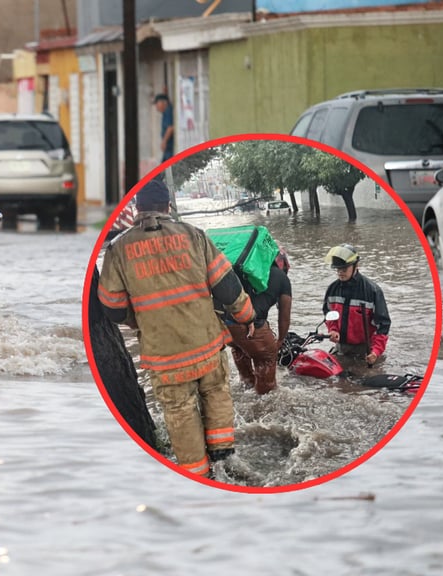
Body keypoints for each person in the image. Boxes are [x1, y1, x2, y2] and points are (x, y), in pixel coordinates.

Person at [97, 176, 256, 479]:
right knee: (217, 392)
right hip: (207, 343)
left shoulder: (119, 249)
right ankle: (225, 458)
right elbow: (227, 287)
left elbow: (113, 308)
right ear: (168, 205)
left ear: (137, 207)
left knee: (179, 411)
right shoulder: (194, 236)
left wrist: (140, 317)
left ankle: (197, 475)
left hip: (164, 355)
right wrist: (247, 317)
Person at [222, 248, 293, 395]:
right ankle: (262, 405)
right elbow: (284, 316)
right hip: (251, 325)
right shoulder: (282, 277)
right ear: (283, 263)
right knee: (266, 359)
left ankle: (246, 386)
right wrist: (279, 340)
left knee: (239, 348)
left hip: (226, 326)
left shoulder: (247, 270)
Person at [322, 244, 391, 367]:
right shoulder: (332, 289)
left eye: (344, 270)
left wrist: (375, 352)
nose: (340, 273)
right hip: (341, 348)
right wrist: (333, 330)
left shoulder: (372, 291)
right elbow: (328, 313)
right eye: (338, 270)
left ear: (356, 266)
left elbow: (383, 325)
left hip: (365, 351)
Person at [154, 94, 174, 162]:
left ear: (164, 102)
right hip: (168, 150)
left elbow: (170, 128)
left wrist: (164, 141)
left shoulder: (168, 111)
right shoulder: (165, 112)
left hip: (170, 148)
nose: (156, 106)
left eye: (157, 103)